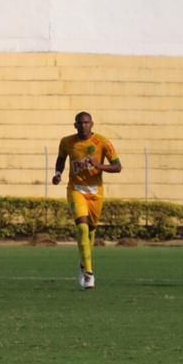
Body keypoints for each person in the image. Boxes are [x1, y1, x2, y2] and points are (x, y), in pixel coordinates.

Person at [53, 112, 121, 290]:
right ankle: (89, 274)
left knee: (90, 231)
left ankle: (84, 263)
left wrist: (100, 166)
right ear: (75, 125)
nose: (83, 125)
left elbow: (117, 166)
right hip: (76, 189)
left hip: (95, 192)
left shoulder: (102, 142)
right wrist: (58, 173)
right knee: (81, 227)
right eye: (80, 123)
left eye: (86, 122)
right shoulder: (67, 142)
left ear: (92, 124)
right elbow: (61, 159)